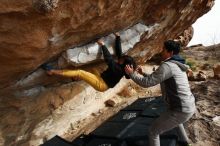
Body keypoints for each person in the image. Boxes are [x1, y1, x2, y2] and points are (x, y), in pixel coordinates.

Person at [125, 40, 195, 146]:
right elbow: (157, 77)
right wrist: (142, 73)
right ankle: (184, 142)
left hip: (180, 109)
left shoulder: (168, 66)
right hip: (188, 106)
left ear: (170, 52)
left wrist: (132, 74)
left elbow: (147, 83)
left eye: (164, 49)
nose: (161, 51)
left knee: (153, 131)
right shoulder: (177, 65)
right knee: (177, 122)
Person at [44, 33, 136, 92]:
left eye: (122, 59)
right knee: (92, 69)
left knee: (80, 72)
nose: (120, 58)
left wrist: (103, 45)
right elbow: (119, 53)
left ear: (124, 64)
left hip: (101, 85)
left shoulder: (119, 70)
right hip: (101, 78)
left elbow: (109, 59)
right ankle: (76, 78)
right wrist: (118, 37)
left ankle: (52, 71)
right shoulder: (122, 65)